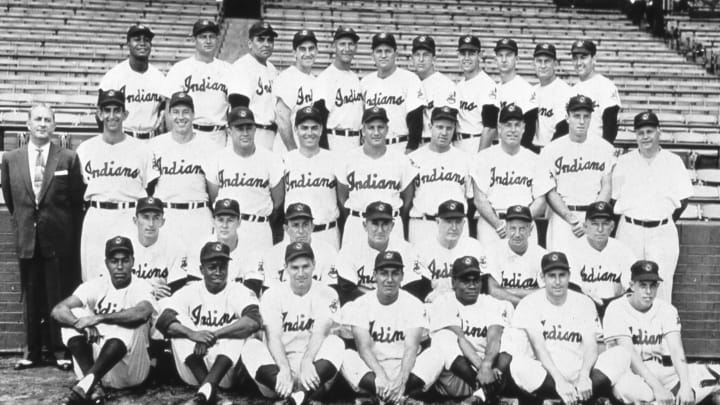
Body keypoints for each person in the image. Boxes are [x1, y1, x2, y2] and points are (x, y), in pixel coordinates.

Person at [1, 103, 85, 371]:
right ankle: (31, 351)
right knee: (30, 297)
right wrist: (28, 224)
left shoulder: (67, 158)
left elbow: (74, 202)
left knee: (56, 295)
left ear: (54, 125)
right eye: (37, 119)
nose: (42, 124)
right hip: (28, 238)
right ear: (27, 125)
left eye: (47, 119)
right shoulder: (11, 159)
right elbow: (12, 200)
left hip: (57, 240)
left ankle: (60, 350)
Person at [506, 252, 631, 404]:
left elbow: (591, 345)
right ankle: (573, 399)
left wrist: (584, 376)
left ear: (569, 275)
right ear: (542, 277)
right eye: (552, 275)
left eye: (562, 275)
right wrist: (560, 382)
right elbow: (539, 348)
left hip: (580, 374)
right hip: (548, 376)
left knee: (621, 354)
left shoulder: (583, 302)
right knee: (518, 365)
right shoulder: (529, 303)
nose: (557, 281)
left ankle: (562, 399)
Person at [155, 241, 262, 405]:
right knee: (180, 325)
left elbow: (253, 322)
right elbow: (163, 322)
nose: (218, 272)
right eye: (212, 267)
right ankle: (211, 392)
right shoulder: (189, 291)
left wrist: (213, 335)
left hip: (226, 370)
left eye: (223, 266)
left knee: (237, 328)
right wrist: (193, 334)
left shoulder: (238, 290)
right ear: (201, 269)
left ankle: (206, 391)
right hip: (193, 366)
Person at [52, 236, 155, 404]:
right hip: (97, 367)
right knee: (73, 313)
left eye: (125, 261)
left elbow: (143, 312)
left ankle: (87, 384)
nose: (120, 267)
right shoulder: (96, 284)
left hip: (129, 371)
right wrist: (79, 324)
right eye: (114, 261)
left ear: (133, 261)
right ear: (107, 263)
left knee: (129, 323)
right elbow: (58, 310)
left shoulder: (141, 286)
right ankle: (91, 384)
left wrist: (97, 319)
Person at [603, 260, 720, 404]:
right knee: (629, 389)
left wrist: (685, 385)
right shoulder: (616, 308)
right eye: (642, 285)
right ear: (632, 286)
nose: (648, 292)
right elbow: (630, 355)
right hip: (629, 373)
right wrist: (658, 388)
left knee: (709, 373)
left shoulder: (667, 309)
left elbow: (676, 351)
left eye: (653, 286)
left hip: (659, 370)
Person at [241, 242, 344, 404]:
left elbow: (320, 332)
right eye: (295, 267)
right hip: (279, 374)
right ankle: (302, 396)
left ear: (314, 265)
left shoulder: (327, 293)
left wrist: (307, 361)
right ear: (286, 268)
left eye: (306, 266)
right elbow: (272, 337)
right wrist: (283, 368)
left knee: (336, 342)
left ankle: (295, 399)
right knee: (250, 346)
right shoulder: (272, 294)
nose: (301, 273)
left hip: (312, 371)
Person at [76, 89, 159, 281]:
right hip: (97, 215)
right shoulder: (86, 149)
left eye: (117, 110)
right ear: (99, 114)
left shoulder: (142, 149)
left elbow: (150, 189)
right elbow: (78, 189)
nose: (112, 116)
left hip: (128, 215)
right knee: (94, 275)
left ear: (125, 114)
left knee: (131, 274)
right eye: (107, 110)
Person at [340, 251, 443, 403]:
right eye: (384, 273)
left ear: (402, 276)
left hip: (405, 368)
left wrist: (401, 380)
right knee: (346, 356)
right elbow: (363, 348)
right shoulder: (361, 304)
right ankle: (399, 399)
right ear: (375, 275)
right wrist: (380, 376)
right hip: (373, 369)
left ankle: (383, 398)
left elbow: (411, 348)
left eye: (395, 274)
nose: (389, 279)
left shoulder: (413, 303)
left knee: (437, 354)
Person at [612, 111, 693, 303]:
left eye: (649, 131)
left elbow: (683, 200)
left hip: (662, 231)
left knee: (662, 287)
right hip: (629, 230)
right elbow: (614, 199)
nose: (645, 136)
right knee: (627, 282)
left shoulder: (673, 161)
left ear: (659, 132)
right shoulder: (624, 162)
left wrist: (663, 219)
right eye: (640, 132)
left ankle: (659, 332)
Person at [428, 256, 510, 403]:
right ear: (453, 282)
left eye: (476, 280)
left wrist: (486, 365)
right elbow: (460, 338)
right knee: (444, 337)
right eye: (466, 281)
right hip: (457, 375)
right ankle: (486, 393)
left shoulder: (491, 302)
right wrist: (482, 369)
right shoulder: (443, 301)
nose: (472, 286)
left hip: (490, 371)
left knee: (514, 334)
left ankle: (480, 396)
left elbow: (494, 336)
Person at [539, 95, 615, 254]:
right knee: (561, 267)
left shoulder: (604, 148)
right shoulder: (551, 150)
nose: (581, 121)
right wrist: (571, 219)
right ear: (567, 117)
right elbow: (550, 191)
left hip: (594, 219)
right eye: (576, 116)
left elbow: (606, 185)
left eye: (586, 116)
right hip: (563, 219)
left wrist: (592, 218)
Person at [205, 106, 285, 253]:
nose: (245, 133)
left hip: (259, 228)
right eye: (240, 128)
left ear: (255, 129)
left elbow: (278, 202)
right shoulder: (217, 159)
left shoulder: (271, 159)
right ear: (229, 131)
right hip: (228, 228)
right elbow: (214, 197)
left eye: (249, 128)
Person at [337, 107, 417, 249]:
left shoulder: (401, 160)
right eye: (371, 127)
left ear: (387, 129)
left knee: (392, 268)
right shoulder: (348, 159)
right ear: (362, 131)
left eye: (380, 127)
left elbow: (407, 199)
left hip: (390, 224)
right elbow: (342, 198)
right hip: (357, 221)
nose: (376, 132)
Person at [472, 104, 552, 247]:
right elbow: (479, 200)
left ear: (524, 128)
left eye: (517, 125)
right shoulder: (483, 158)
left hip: (525, 224)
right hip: (491, 225)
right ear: (500, 128)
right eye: (508, 125)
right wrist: (498, 224)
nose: (513, 130)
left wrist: (519, 223)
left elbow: (540, 202)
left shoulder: (535, 159)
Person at [149, 92, 219, 248]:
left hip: (198, 215)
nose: (181, 117)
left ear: (193, 115)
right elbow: (149, 189)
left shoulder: (209, 146)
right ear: (169, 114)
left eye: (186, 112)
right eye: (176, 112)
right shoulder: (154, 145)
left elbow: (214, 192)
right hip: (168, 215)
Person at [335, 201, 428, 303]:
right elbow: (347, 292)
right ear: (365, 225)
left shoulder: (406, 250)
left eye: (385, 224)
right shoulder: (349, 251)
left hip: (397, 308)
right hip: (363, 309)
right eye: (375, 224)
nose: (380, 230)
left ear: (392, 226)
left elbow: (413, 289)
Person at [408, 106, 473, 243]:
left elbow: (471, 200)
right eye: (439, 127)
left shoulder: (465, 160)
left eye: (449, 128)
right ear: (430, 126)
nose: (444, 132)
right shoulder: (413, 159)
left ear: (455, 129)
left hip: (455, 226)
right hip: (423, 223)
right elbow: (406, 201)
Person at [166, 19, 231, 148]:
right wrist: (174, 141)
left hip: (219, 135)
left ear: (217, 39)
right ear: (194, 40)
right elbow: (169, 109)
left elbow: (232, 108)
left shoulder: (228, 69)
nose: (208, 41)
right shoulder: (180, 69)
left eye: (212, 37)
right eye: (203, 37)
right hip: (190, 133)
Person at [99, 24, 170, 140]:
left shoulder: (159, 78)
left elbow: (164, 112)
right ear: (128, 44)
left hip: (151, 139)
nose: (142, 43)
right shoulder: (113, 77)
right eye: (137, 39)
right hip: (124, 138)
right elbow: (100, 116)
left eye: (146, 40)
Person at [284, 107, 341, 249]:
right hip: (295, 235)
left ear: (321, 129)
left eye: (314, 128)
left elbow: (342, 198)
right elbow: (278, 201)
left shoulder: (334, 159)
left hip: (327, 232)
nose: (309, 133)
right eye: (304, 128)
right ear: (296, 130)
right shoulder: (285, 160)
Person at [566, 201, 636, 317]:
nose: (600, 229)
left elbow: (632, 288)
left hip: (616, 309)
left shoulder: (622, 250)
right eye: (594, 224)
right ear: (585, 226)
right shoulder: (573, 250)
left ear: (612, 226)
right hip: (583, 309)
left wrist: (613, 306)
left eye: (605, 224)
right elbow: (573, 289)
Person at [360, 32, 425, 152]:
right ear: (372, 55)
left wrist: (411, 148)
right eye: (379, 51)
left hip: (400, 145)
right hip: (373, 148)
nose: (383, 55)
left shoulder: (409, 79)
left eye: (388, 51)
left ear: (396, 54)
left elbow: (416, 118)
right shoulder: (365, 82)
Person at [255, 203, 340, 290]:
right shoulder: (273, 254)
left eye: (305, 225)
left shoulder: (328, 252)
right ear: (286, 228)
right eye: (295, 225)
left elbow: (331, 293)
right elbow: (270, 294)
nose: (301, 231)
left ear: (312, 227)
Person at [414, 200, 487, 300]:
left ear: (464, 223)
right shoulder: (422, 249)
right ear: (438, 222)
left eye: (458, 222)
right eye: (448, 222)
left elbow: (483, 286)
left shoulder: (474, 247)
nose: (454, 227)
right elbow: (418, 290)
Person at [185, 199, 263, 292]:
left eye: (230, 220)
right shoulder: (199, 246)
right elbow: (193, 287)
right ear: (213, 221)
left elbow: (253, 290)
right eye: (220, 220)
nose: (224, 225)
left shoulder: (251, 248)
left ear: (239, 222)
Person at [228, 22, 279, 150]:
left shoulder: (272, 69)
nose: (266, 44)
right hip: (250, 132)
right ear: (250, 43)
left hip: (270, 134)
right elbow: (238, 108)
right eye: (260, 40)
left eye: (269, 40)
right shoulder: (243, 66)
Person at [313, 26, 364, 152]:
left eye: (351, 44)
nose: (347, 49)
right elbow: (319, 119)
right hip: (334, 140)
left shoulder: (355, 78)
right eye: (342, 44)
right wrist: (323, 151)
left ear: (356, 47)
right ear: (334, 46)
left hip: (356, 142)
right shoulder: (325, 78)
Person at [479, 38, 536, 150]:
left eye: (508, 55)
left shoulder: (526, 89)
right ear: (496, 59)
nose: (504, 60)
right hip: (498, 151)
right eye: (500, 55)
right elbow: (489, 127)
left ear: (517, 59)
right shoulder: (493, 90)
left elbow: (529, 130)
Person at [127, 196, 188, 299]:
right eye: (146, 217)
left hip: (163, 301)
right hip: (130, 300)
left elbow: (178, 285)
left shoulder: (175, 246)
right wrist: (149, 292)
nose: (151, 224)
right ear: (135, 221)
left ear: (162, 221)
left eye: (156, 218)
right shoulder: (126, 244)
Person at [485, 205, 546, 307]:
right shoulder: (493, 251)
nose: (517, 234)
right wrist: (523, 305)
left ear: (530, 229)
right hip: (504, 309)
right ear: (506, 228)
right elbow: (493, 291)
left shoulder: (542, 255)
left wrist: (507, 291)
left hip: (533, 311)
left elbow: (545, 293)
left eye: (522, 229)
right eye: (513, 228)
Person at [274, 29, 318, 153]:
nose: (308, 53)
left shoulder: (315, 81)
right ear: (295, 53)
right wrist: (293, 152)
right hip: (286, 150)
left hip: (306, 151)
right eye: (302, 49)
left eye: (311, 48)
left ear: (317, 51)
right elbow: (283, 120)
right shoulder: (287, 77)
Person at [569, 40, 621, 143]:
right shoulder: (573, 90)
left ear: (594, 59)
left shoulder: (606, 86)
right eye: (575, 58)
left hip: (597, 151)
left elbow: (610, 127)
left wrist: (604, 152)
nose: (578, 63)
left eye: (583, 57)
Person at [454, 34, 497, 154]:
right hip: (458, 145)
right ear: (458, 55)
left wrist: (480, 158)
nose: (466, 58)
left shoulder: (487, 85)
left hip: (475, 143)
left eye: (471, 53)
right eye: (463, 53)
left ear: (480, 55)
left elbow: (490, 128)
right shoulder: (459, 85)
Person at [410, 35, 456, 143]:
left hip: (435, 144)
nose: (421, 59)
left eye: (425, 55)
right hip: (414, 144)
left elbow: (449, 124)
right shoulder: (409, 83)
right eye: (417, 55)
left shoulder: (445, 85)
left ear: (434, 59)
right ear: (412, 58)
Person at [530, 43, 572, 152]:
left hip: (555, 151)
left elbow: (563, 129)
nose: (543, 66)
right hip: (534, 150)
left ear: (555, 64)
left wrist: (548, 155)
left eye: (547, 61)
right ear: (533, 63)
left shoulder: (564, 91)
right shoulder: (531, 91)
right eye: (539, 61)